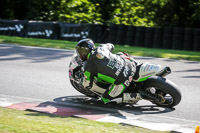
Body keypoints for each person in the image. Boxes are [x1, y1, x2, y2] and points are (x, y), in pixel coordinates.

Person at [76, 39, 161, 104]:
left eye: (81, 52)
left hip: (122, 81)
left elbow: (87, 84)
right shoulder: (101, 47)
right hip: (130, 65)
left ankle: (139, 96)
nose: (80, 54)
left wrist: (81, 81)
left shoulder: (88, 66)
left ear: (85, 51)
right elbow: (111, 46)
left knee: (104, 100)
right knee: (120, 54)